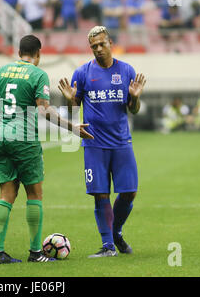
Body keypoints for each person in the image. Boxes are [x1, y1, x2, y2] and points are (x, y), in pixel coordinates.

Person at [0, 34, 93, 264]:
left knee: (6, 195)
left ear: (18, 52)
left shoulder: (1, 71)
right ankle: (36, 253)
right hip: (24, 139)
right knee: (34, 194)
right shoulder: (37, 74)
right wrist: (72, 127)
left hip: (2, 137)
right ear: (39, 53)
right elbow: (44, 110)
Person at [58, 26, 146, 258]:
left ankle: (114, 232)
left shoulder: (126, 70)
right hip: (94, 143)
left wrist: (135, 98)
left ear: (110, 42)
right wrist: (69, 101)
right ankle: (108, 246)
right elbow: (74, 109)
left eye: (101, 44)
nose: (98, 49)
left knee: (129, 192)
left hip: (121, 142)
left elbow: (133, 110)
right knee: (101, 194)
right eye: (93, 46)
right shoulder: (82, 73)